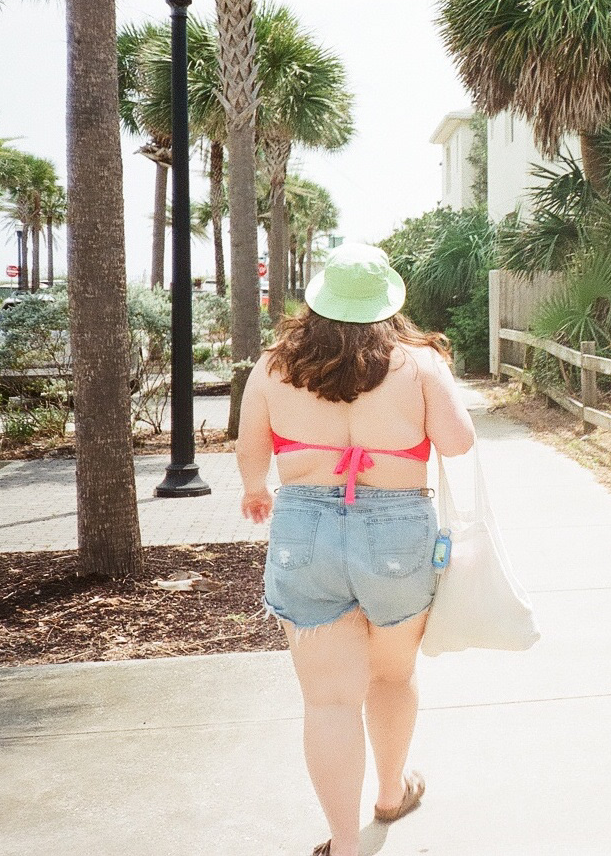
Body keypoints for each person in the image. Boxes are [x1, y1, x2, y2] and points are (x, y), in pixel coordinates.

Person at [236, 243, 476, 856]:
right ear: (388, 304)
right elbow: (457, 443)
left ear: (317, 301)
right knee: (392, 675)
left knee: (328, 698)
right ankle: (392, 793)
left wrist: (256, 489)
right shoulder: (418, 364)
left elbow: (250, 446)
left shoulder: (273, 367)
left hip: (303, 528)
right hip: (397, 530)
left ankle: (345, 844)